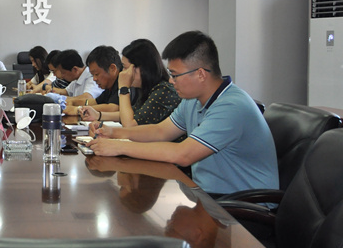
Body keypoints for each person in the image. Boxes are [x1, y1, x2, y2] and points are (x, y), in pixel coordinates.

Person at [88, 31, 278, 196]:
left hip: (239, 207)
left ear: (201, 74)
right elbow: (160, 131)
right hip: (206, 195)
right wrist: (113, 132)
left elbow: (183, 154)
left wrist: (119, 147)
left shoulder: (231, 106)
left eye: (175, 75)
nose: (171, 81)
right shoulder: (192, 100)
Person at [80, 39, 180, 126]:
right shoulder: (146, 89)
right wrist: (98, 115)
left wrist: (124, 88)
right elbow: (132, 114)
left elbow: (130, 124)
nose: (122, 72)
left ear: (142, 68)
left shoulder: (164, 90)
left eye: (125, 67)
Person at [65, 45, 122, 114]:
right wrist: (73, 102)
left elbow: (113, 108)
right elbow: (95, 102)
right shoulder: (110, 85)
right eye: (93, 75)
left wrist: (78, 109)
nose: (94, 79)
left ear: (112, 68)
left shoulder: (123, 81)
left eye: (96, 74)